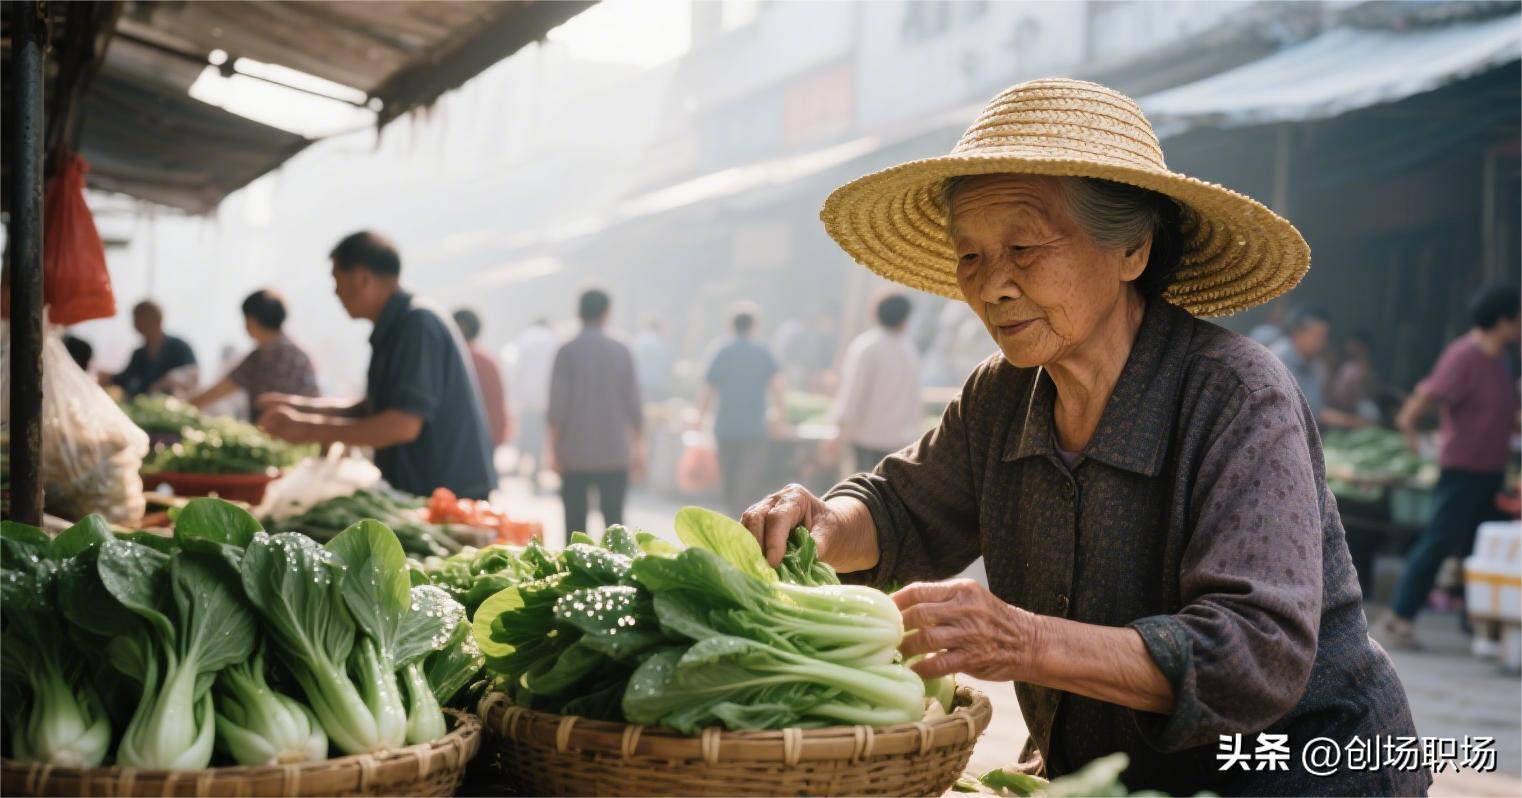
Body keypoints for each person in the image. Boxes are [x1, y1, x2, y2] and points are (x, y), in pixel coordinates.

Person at [740, 79, 1423, 795]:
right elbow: (901, 507)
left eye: (1025, 246)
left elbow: (1254, 653)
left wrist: (1023, 640)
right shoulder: (1000, 395)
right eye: (969, 255)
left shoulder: (1236, 396)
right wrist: (823, 522)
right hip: (1105, 775)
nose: (993, 285)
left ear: (1132, 250)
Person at [257, 231, 497, 499]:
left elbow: (402, 424)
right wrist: (298, 408)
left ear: (363, 278)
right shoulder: (396, 326)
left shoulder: (417, 325)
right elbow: (372, 408)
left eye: (337, 280)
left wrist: (307, 429)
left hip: (448, 496)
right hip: (419, 490)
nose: (335, 292)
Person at [1380, 286, 1521, 648]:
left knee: (1480, 548)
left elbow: (1501, 413)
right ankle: (1399, 619)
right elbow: (1423, 400)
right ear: (1504, 319)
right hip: (1461, 469)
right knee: (1439, 542)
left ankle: (1479, 625)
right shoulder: (1463, 356)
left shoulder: (1501, 359)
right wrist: (1412, 431)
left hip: (1491, 470)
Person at [547, 289, 644, 536]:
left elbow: (557, 407)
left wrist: (553, 450)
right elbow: (634, 404)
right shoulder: (622, 349)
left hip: (574, 452)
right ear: (607, 312)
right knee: (614, 524)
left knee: (575, 526)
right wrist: (639, 447)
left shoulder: (567, 349)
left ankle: (574, 573)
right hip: (614, 452)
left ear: (578, 312)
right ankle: (616, 574)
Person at [698, 306, 786, 516]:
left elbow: (709, 388)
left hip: (725, 425)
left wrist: (700, 416)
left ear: (731, 325)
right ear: (754, 326)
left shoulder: (722, 350)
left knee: (728, 472)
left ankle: (732, 512)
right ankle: (742, 514)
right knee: (748, 477)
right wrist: (781, 417)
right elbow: (777, 387)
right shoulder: (763, 352)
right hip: (754, 426)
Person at [189, 290, 319, 417]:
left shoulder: (261, 358)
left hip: (277, 431)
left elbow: (218, 392)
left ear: (252, 320)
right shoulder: (299, 357)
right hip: (302, 433)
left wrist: (183, 406)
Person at [834, 294, 923, 472]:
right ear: (905, 318)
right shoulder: (909, 349)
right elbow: (915, 397)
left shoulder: (867, 346)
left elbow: (854, 391)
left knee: (860, 491)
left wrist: (841, 428)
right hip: (900, 440)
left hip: (865, 437)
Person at [1269, 307, 1368, 430]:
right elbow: (1308, 411)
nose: (1322, 342)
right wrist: (1352, 422)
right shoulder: (1276, 360)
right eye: (1318, 335)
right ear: (1297, 333)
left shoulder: (1316, 365)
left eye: (1325, 336)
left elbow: (1316, 407)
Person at [107, 300, 198, 397]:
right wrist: (108, 377)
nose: (137, 323)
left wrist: (168, 382)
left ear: (157, 319)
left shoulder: (179, 347)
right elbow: (125, 379)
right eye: (136, 319)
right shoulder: (139, 354)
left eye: (142, 318)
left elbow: (192, 373)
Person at [453, 307, 511, 451]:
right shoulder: (488, 361)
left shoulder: (449, 361)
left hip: (454, 444)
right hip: (485, 440)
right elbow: (498, 406)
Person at [509, 318, 557, 489]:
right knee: (538, 435)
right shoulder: (553, 339)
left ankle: (519, 464)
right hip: (545, 396)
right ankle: (535, 469)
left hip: (526, 395)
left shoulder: (526, 338)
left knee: (525, 432)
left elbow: (516, 368)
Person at [1326, 331, 1381, 422]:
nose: (1348, 346)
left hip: (1354, 411)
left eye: (1352, 343)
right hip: (1343, 411)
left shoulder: (1354, 369)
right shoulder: (1349, 367)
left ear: (1360, 346)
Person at [633, 316, 675, 402]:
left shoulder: (638, 341)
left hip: (640, 381)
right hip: (657, 383)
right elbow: (668, 364)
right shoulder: (662, 342)